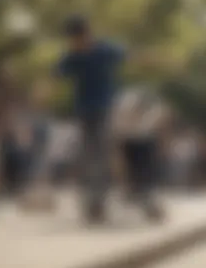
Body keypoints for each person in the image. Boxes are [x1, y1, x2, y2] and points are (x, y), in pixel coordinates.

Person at [55, 15, 170, 223]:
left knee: (102, 152)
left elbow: (128, 55)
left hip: (107, 110)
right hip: (83, 111)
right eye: (74, 41)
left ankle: (106, 198)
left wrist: (152, 58)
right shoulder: (72, 56)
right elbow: (59, 71)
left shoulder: (103, 50)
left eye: (80, 39)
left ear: (87, 34)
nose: (78, 44)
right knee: (88, 154)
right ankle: (93, 200)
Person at [112, 88, 167, 221]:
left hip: (139, 139)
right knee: (140, 173)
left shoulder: (150, 107)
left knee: (142, 173)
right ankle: (141, 197)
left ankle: (143, 198)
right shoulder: (128, 103)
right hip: (134, 140)